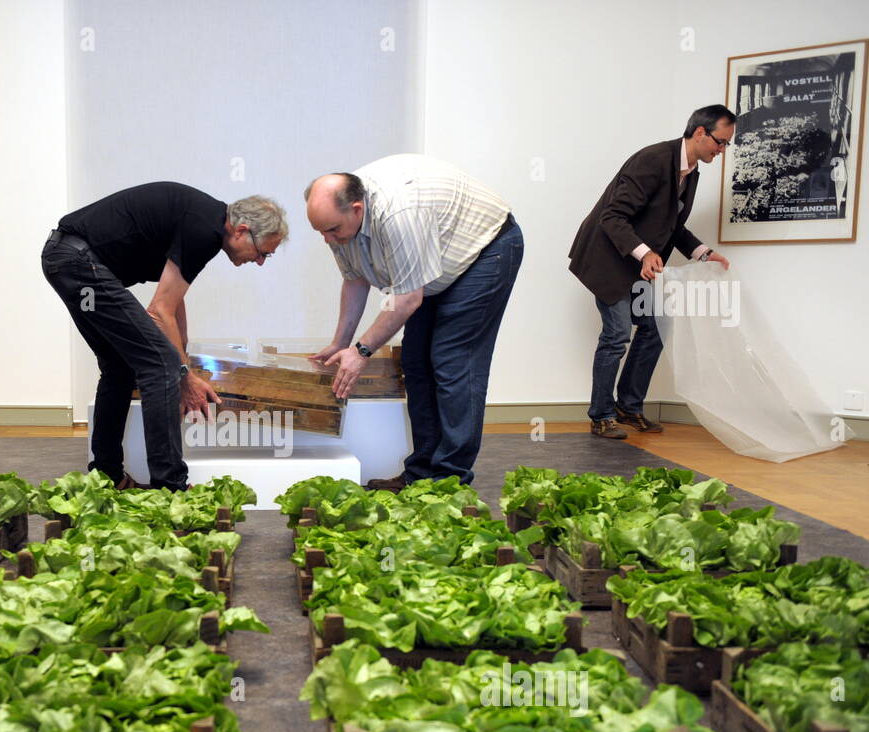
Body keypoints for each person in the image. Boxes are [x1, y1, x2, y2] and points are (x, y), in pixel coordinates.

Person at [43, 184, 287, 490]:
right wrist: (182, 373)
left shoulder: (204, 220)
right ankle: (170, 487)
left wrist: (182, 354)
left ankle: (107, 477)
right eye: (263, 251)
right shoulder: (204, 231)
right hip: (78, 266)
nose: (261, 261)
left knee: (120, 368)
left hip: (66, 261)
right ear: (241, 230)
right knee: (160, 368)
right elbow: (159, 311)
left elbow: (172, 299)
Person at [305, 154, 522, 489]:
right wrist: (340, 343)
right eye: (320, 231)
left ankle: (449, 480)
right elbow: (355, 281)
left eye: (332, 230)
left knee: (452, 360)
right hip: (437, 265)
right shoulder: (340, 224)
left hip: (486, 248)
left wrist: (361, 351)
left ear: (357, 210)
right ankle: (421, 475)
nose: (328, 240)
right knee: (415, 361)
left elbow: (407, 299)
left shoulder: (398, 214)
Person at [569, 105, 735, 439]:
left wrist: (704, 253)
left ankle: (628, 406)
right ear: (700, 133)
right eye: (721, 142)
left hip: (637, 264)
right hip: (608, 258)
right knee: (616, 335)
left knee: (656, 327)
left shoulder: (690, 174)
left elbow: (673, 225)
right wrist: (646, 254)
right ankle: (601, 416)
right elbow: (612, 217)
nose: (722, 150)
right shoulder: (652, 160)